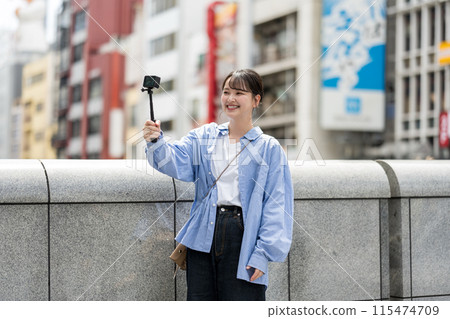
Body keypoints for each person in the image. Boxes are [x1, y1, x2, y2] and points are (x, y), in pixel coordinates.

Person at [143, 69, 293, 301]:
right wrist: (156, 140)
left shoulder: (268, 148)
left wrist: (262, 254)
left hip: (243, 235)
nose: (230, 98)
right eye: (226, 92)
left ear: (256, 100)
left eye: (239, 93)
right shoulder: (205, 136)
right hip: (203, 231)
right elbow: (173, 161)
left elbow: (277, 204)